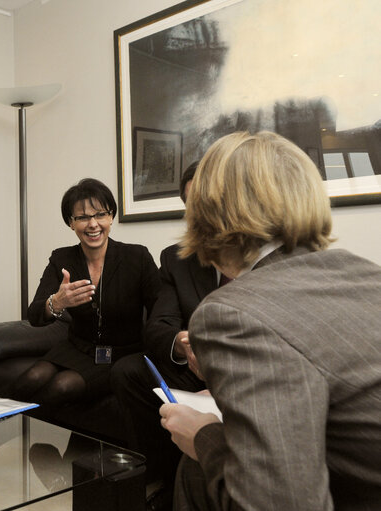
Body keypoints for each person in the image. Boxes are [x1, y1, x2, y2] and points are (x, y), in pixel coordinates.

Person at [160, 131, 381, 510]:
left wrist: (204, 436)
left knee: (196, 467)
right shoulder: (363, 271)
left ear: (207, 213)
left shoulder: (231, 314)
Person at [110, 162, 220, 508]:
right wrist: (182, 340)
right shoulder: (178, 258)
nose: (199, 214)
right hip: (192, 364)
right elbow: (158, 325)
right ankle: (161, 475)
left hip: (246, 368)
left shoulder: (267, 257)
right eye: (192, 205)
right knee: (128, 371)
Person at [10, 178, 161, 405]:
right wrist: (56, 303)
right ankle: (2, 430)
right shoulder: (61, 258)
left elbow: (160, 310)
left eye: (100, 214)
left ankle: (34, 435)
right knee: (32, 377)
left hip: (121, 354)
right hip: (77, 348)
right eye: (82, 217)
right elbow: (34, 316)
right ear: (71, 223)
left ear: (111, 217)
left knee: (63, 385)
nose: (93, 224)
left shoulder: (137, 258)